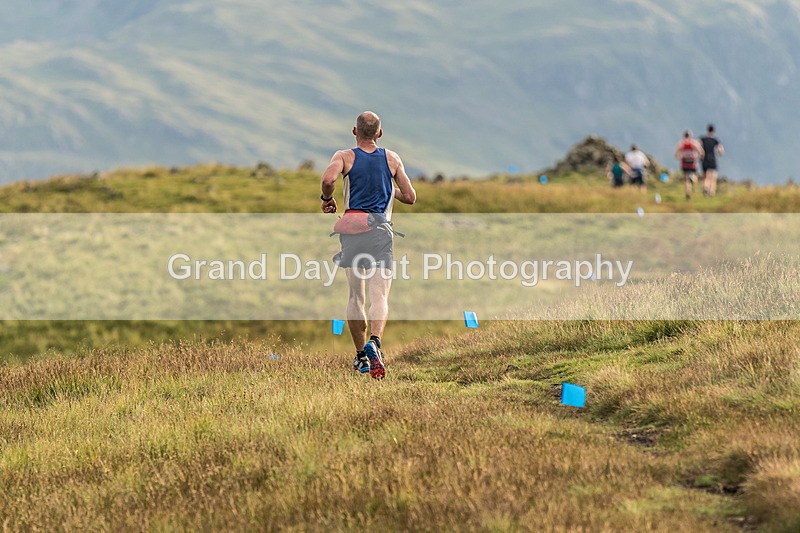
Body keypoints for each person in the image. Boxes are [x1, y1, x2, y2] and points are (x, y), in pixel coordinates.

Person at [320, 111, 417, 380]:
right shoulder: (392, 158)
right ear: (380, 134)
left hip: (351, 232)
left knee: (355, 296)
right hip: (380, 233)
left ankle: (362, 356)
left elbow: (328, 181)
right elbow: (410, 197)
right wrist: (389, 188)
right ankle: (375, 342)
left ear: (355, 131)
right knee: (380, 296)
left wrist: (326, 199)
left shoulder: (344, 156)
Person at [674, 130, 704, 200]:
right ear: (690, 136)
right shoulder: (694, 143)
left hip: (684, 162)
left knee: (686, 179)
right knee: (694, 175)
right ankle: (693, 179)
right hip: (692, 162)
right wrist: (698, 158)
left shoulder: (681, 143)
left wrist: (680, 157)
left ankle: (688, 193)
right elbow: (701, 152)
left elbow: (676, 154)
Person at [700, 124, 724, 197]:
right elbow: (721, 150)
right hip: (712, 159)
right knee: (713, 177)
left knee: (705, 176)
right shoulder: (715, 140)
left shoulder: (703, 139)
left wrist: (701, 153)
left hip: (704, 159)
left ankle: (705, 188)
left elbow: (696, 144)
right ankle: (711, 192)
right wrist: (719, 153)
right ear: (713, 131)